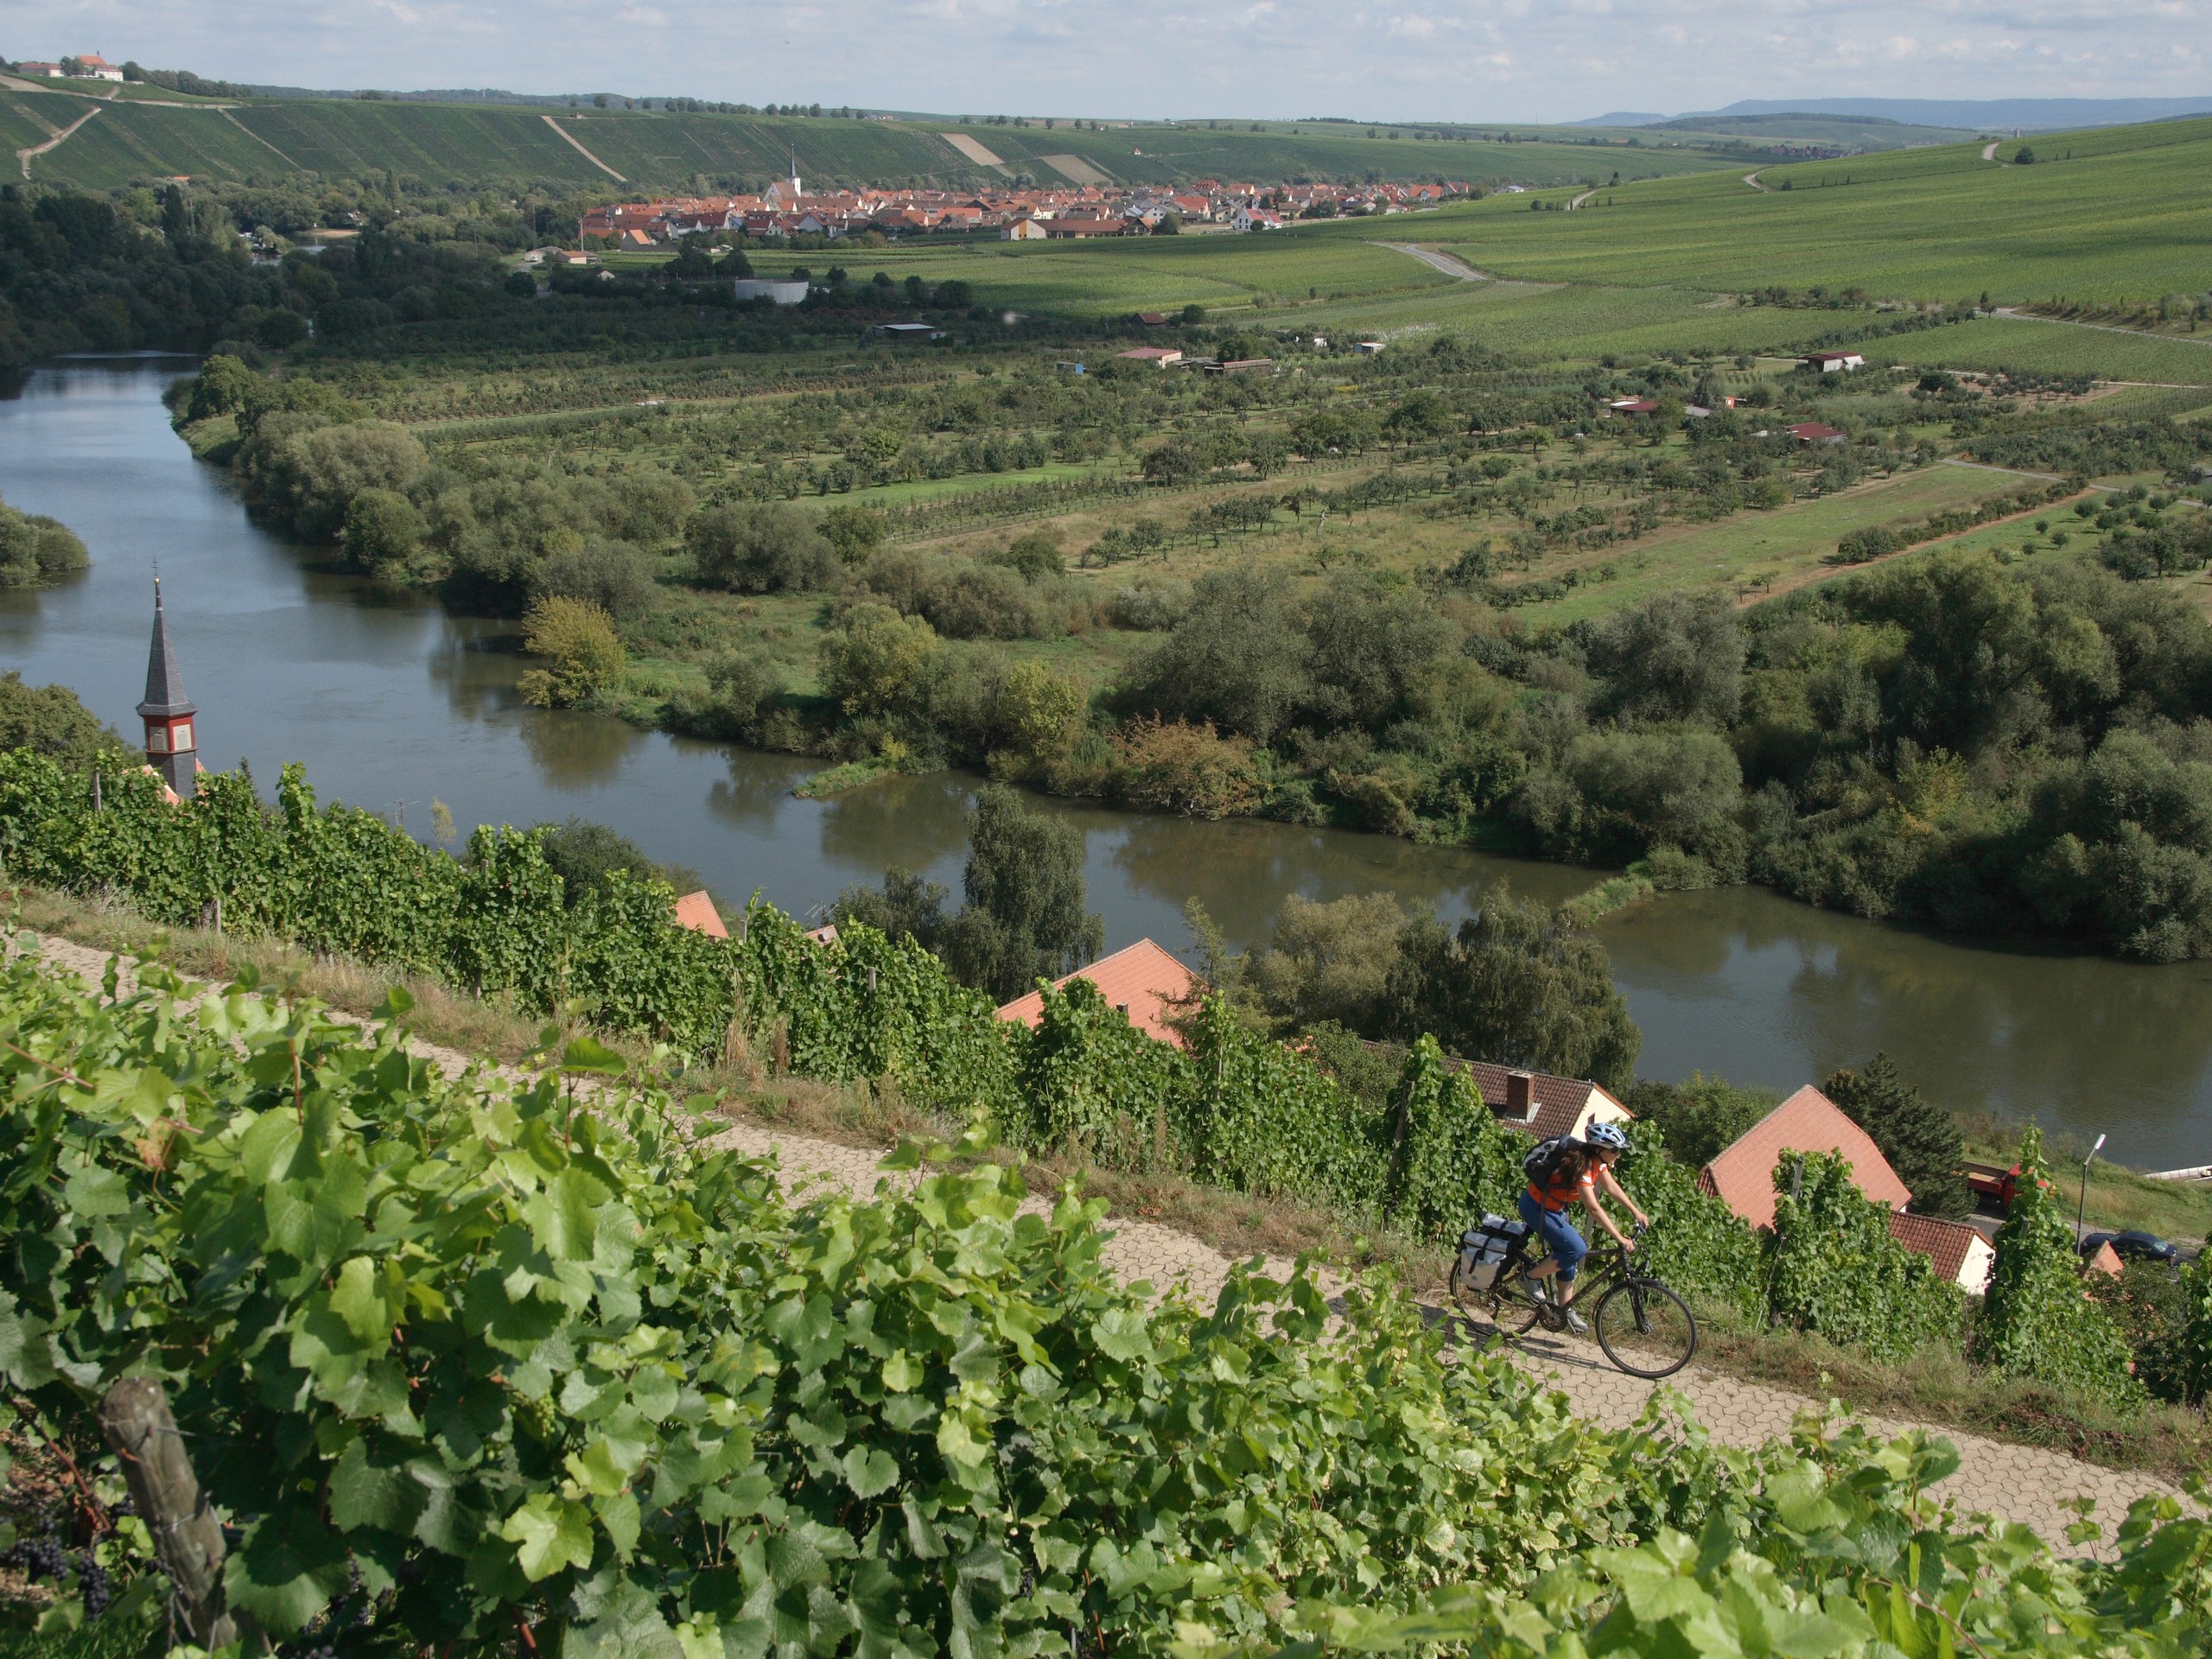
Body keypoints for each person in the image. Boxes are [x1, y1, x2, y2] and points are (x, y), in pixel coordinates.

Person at [1517, 1121, 1648, 1334]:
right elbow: (1593, 1208)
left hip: (1555, 1208)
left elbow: (1611, 1186)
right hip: (1536, 1207)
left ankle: (1564, 1309)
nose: (1618, 1154)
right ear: (1599, 1149)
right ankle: (1529, 1278)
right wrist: (1619, 1237)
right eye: (1614, 1150)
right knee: (1576, 1250)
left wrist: (1635, 1211)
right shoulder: (1582, 1168)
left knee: (1567, 1256)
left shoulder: (1597, 1160)